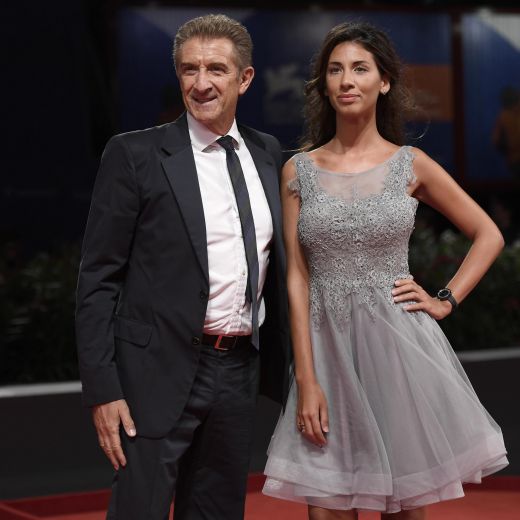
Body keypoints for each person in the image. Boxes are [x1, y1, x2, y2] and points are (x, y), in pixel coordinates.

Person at [263, 21, 508, 520]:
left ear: (384, 81)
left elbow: (489, 234)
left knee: (403, 507)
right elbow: (297, 277)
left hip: (398, 353)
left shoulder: (410, 163)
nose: (346, 80)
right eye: (335, 70)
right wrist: (305, 377)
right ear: (324, 85)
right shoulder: (298, 170)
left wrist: (445, 299)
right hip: (326, 354)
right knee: (327, 508)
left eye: (360, 69)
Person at [76, 14, 291, 520]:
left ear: (245, 78)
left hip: (238, 372)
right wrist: (103, 390)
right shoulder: (134, 154)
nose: (201, 83)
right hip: (152, 376)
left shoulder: (267, 154)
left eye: (216, 69)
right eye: (189, 69)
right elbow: (97, 280)